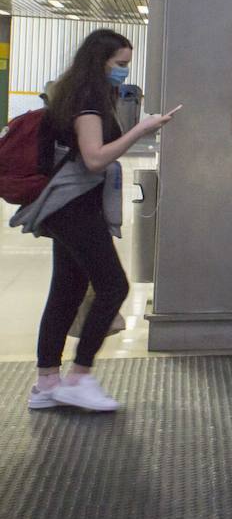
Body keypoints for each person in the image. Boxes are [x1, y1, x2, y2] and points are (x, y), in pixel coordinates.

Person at [16, 29, 175, 412]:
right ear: (100, 61)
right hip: (73, 206)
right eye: (120, 64)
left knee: (66, 292)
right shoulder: (88, 100)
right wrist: (141, 129)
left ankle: (47, 382)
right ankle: (79, 377)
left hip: (67, 206)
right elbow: (94, 158)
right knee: (113, 286)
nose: (123, 72)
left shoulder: (76, 92)